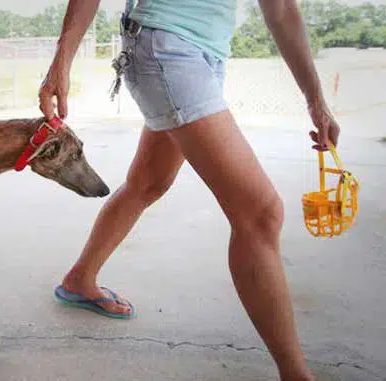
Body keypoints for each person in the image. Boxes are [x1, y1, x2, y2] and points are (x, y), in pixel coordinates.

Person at [39, 0, 340, 380]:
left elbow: (281, 10)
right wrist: (60, 62)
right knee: (260, 214)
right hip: (167, 48)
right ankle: (297, 375)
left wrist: (317, 102)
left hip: (204, 53)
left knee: (147, 184)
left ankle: (79, 280)